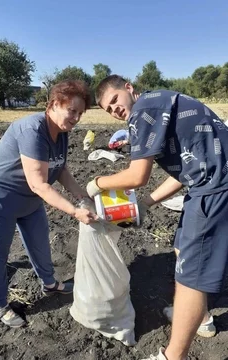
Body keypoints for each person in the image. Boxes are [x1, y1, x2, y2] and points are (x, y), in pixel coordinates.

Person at [86, 75, 228, 360]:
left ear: (128, 88)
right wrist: (147, 203)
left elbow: (137, 176)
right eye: (108, 109)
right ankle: (197, 317)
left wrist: (97, 183)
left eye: (114, 100)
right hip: (206, 182)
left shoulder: (143, 111)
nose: (115, 110)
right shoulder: (160, 102)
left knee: (191, 276)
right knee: (181, 247)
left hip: (215, 187)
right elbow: (185, 168)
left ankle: (172, 356)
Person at [0, 80, 98, 328]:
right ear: (53, 104)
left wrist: (82, 197)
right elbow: (39, 184)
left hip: (29, 198)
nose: (76, 118)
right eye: (71, 110)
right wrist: (75, 211)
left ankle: (49, 284)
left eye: (80, 113)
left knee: (40, 242)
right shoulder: (32, 130)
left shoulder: (62, 133)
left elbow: (60, 168)